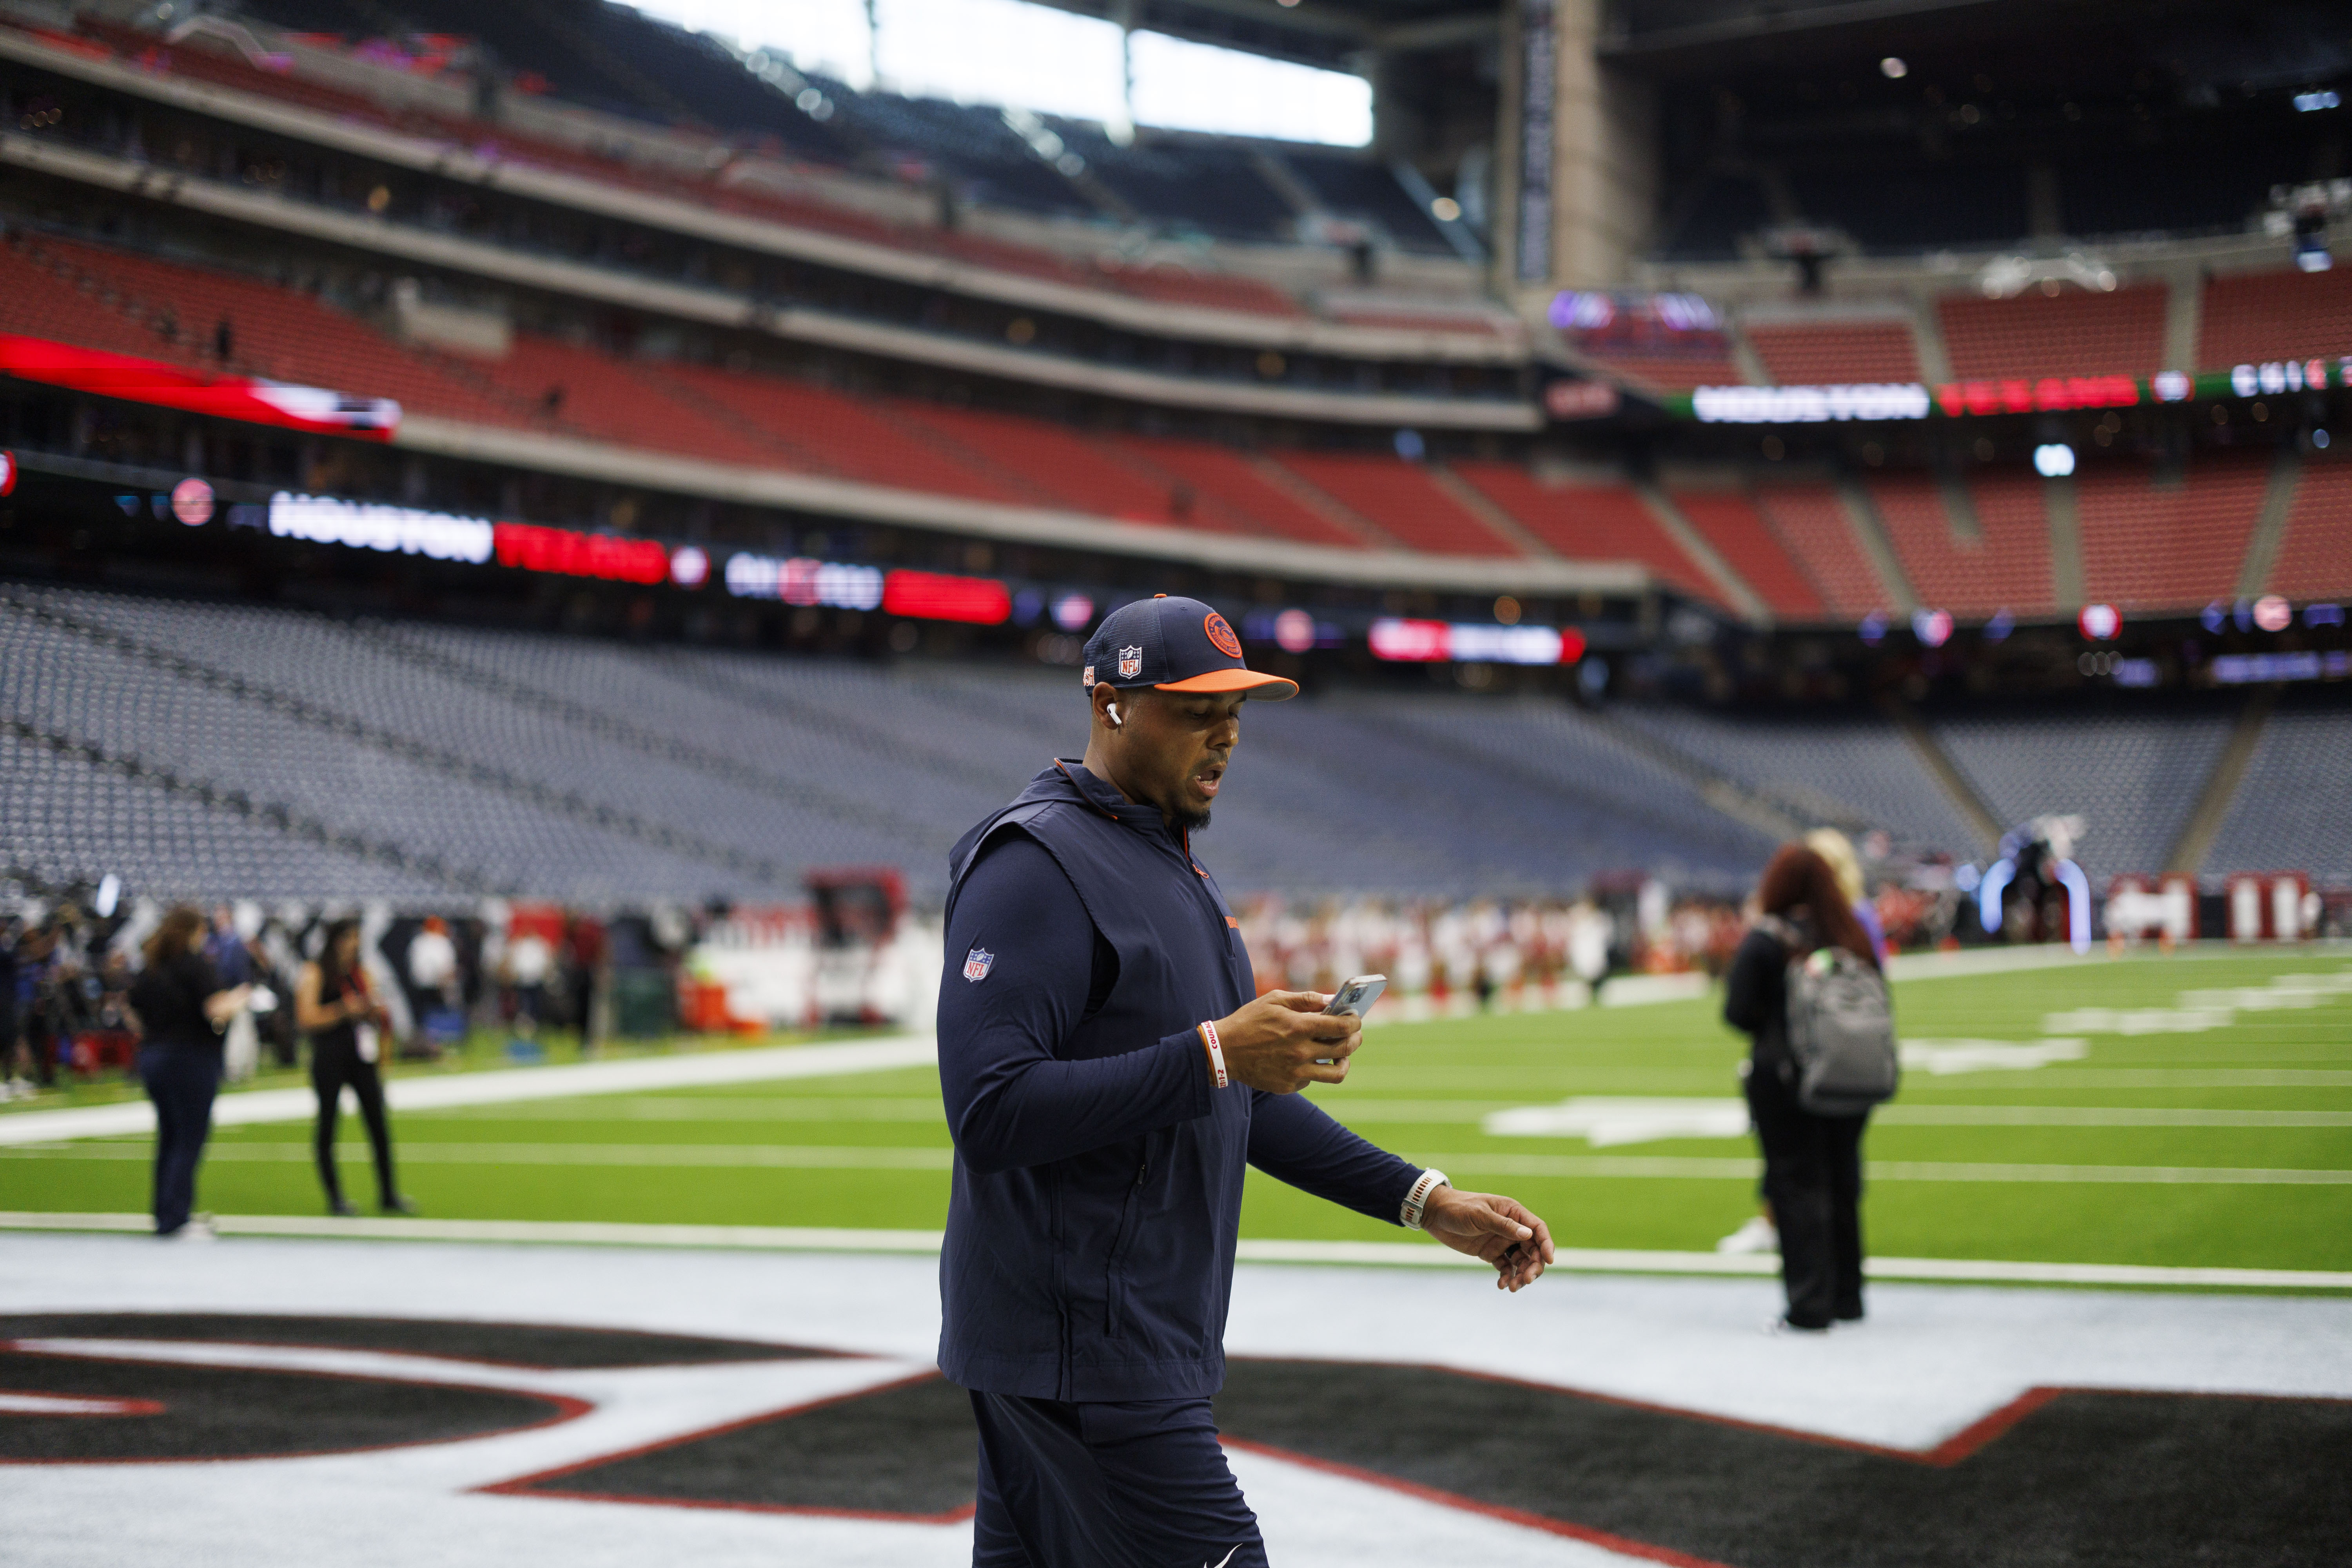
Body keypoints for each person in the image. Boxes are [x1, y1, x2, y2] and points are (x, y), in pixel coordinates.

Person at [938, 594, 1555, 1568]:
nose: (1224, 733)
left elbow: (1237, 1100)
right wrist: (1219, 1052)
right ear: (1109, 703)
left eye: (1237, 710)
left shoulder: (1172, 864)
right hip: (1087, 1358)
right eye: (1194, 708)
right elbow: (990, 1108)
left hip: (1117, 1346)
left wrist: (1423, 1199)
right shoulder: (1035, 865)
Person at [1722, 843, 1883, 1332]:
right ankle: (1847, 1297)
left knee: (1796, 1186)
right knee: (1841, 1182)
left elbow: (1736, 1011)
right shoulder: (1850, 931)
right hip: (1848, 1075)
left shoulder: (1770, 937)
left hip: (1788, 1081)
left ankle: (1809, 1305)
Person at [125, 905, 251, 1237]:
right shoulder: (194, 965)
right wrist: (241, 998)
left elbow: (131, 1009)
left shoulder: (151, 966)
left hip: (153, 1056)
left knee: (168, 1136)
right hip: (191, 1056)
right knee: (189, 1137)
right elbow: (215, 1007)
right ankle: (176, 1217)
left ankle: (165, 1214)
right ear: (195, 931)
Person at [298, 918, 412, 1218]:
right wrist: (341, 1011)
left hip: (362, 1056)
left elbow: (373, 1006)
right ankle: (335, 1197)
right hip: (329, 1055)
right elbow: (306, 1018)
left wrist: (372, 1011)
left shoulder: (360, 973)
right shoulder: (316, 972)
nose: (353, 945)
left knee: (378, 1124)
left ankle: (388, 1193)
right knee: (328, 1126)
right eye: (347, 939)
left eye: (356, 939)